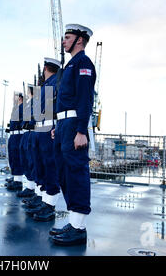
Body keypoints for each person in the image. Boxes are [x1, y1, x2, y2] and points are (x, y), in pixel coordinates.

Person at [50, 24, 96, 246]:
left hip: (74, 125)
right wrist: (56, 126)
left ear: (79, 40)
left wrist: (81, 130)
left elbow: (85, 99)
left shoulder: (83, 64)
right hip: (63, 124)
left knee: (76, 172)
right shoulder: (70, 65)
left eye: (67, 37)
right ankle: (73, 221)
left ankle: (79, 228)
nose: (63, 41)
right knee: (64, 173)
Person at [24, 58, 61, 222]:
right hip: (39, 129)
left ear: (45, 68)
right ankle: (43, 199)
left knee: (49, 166)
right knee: (39, 165)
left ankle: (50, 205)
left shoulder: (56, 82)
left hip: (48, 127)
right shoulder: (45, 86)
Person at [5, 93, 24, 191]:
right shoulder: (16, 108)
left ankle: (18, 181)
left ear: (20, 98)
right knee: (12, 157)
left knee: (16, 157)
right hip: (13, 134)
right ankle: (15, 177)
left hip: (18, 135)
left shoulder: (23, 108)